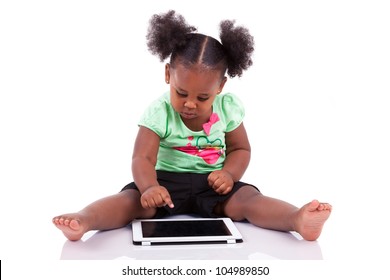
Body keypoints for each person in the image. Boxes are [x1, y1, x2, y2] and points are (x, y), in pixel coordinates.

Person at [53, 10, 331, 242]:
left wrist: (230, 175)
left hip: (213, 184)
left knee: (248, 200)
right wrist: (149, 187)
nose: (190, 104)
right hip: (163, 182)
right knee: (129, 201)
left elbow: (241, 148)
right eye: (181, 93)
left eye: (202, 97)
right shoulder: (158, 112)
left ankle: (297, 219)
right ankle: (85, 219)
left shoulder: (228, 109)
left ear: (220, 86)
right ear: (167, 75)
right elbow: (142, 157)